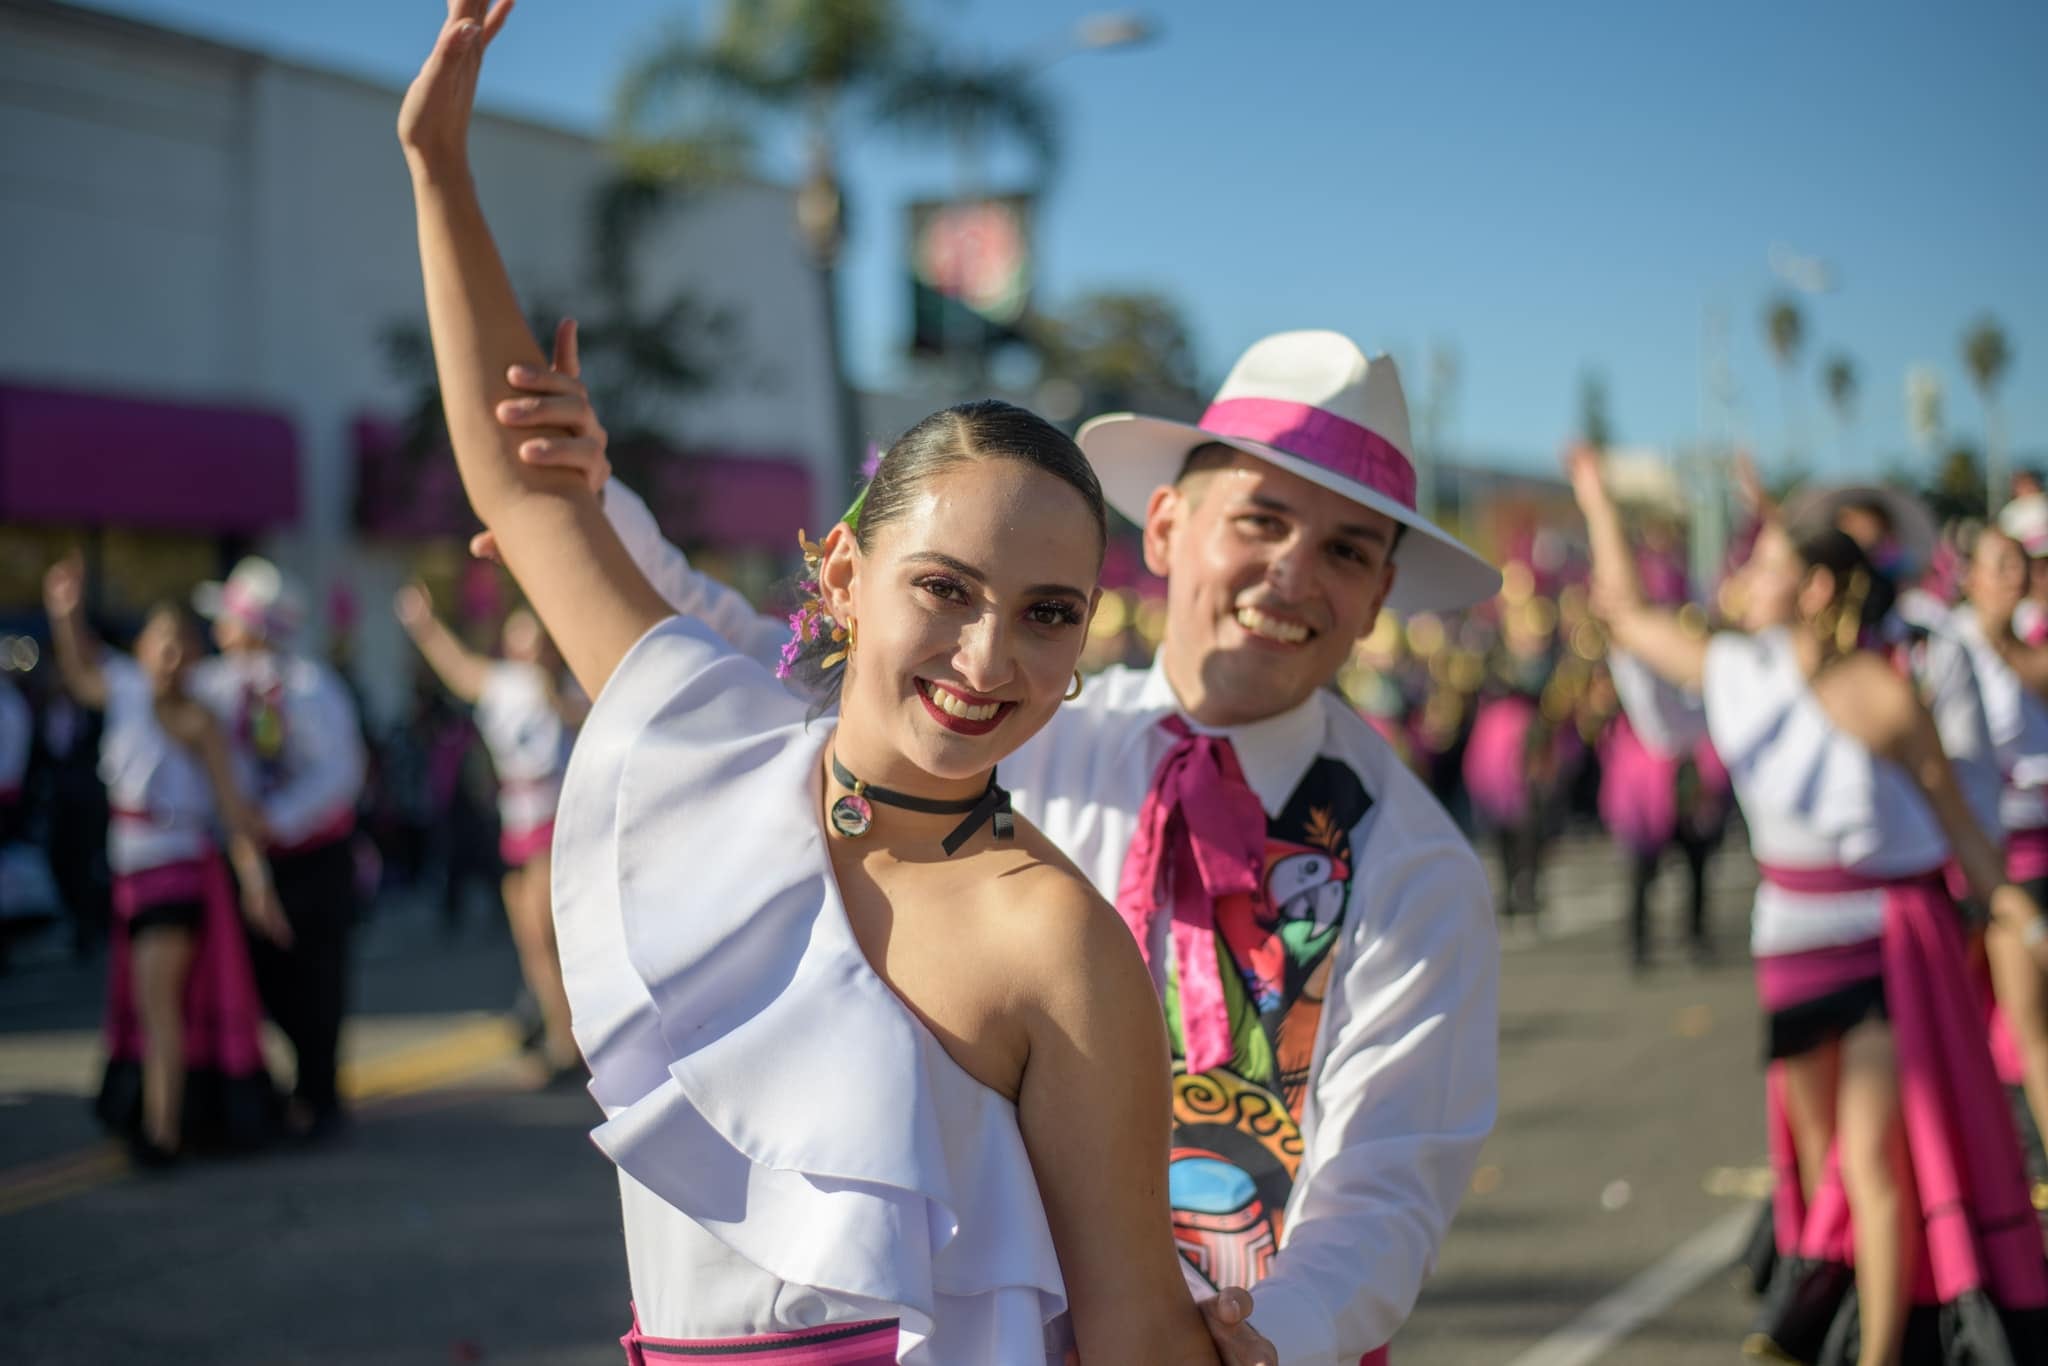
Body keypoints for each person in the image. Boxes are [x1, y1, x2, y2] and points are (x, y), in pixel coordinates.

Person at [398, 8, 1272, 1363]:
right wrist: (439, 165)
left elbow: (1133, 1333)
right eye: (946, 588)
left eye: (1046, 614)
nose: (988, 658)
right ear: (846, 573)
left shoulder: (1056, 941)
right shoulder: (704, 740)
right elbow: (526, 489)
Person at [503, 324, 1504, 1363]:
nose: (1292, 574)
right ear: (1167, 528)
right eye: (1261, 520)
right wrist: (591, 501)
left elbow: (1390, 1175)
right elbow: (753, 662)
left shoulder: (1412, 863)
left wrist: (1260, 1340)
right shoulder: (1004, 716)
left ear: (1378, 598)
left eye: (1346, 551)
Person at [1570, 447, 2048, 1364]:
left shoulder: (1885, 689)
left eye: (1767, 565)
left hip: (1879, 941)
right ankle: (1849, 1323)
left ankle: (1879, 1352)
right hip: (1788, 944)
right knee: (1820, 1169)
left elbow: (1961, 825)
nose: (1745, 578)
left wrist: (2022, 919)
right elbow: (1624, 615)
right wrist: (1594, 497)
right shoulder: (1737, 669)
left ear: (1819, 589)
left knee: (1870, 1162)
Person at [42, 552, 287, 1165]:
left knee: (157, 1007)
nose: (172, 654)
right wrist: (64, 612)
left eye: (183, 644)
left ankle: (162, 1132)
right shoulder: (124, 689)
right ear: (143, 647)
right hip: (130, 874)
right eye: (162, 642)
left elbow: (232, 810)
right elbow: (79, 671)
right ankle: (168, 1117)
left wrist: (256, 882)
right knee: (142, 1005)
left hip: (175, 875)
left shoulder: (200, 718)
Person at [186, 555, 366, 1142]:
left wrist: (276, 818)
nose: (218, 628)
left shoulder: (309, 687)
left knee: (315, 979)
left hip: (312, 857)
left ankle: (318, 1095)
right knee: (256, 975)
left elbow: (340, 773)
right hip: (250, 858)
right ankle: (268, 1090)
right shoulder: (215, 684)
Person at [395, 585, 582, 1080]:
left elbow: (586, 716)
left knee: (547, 934)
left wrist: (556, 697)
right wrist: (424, 625)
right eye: (517, 641)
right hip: (514, 821)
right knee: (532, 943)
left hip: (556, 820)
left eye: (534, 642)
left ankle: (572, 1041)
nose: (526, 652)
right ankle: (559, 1032)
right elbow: (458, 668)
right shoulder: (503, 684)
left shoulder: (567, 687)